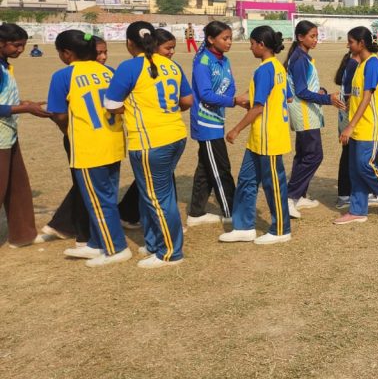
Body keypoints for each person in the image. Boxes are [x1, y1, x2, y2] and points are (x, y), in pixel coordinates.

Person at [103, 21, 193, 267]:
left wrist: (134, 108)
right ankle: (154, 243)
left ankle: (170, 253)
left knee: (157, 198)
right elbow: (187, 100)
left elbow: (111, 104)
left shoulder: (130, 66)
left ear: (129, 43)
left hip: (149, 141)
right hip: (176, 135)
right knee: (152, 194)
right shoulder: (172, 65)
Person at [45, 30, 132, 266]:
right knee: (106, 195)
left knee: (98, 201)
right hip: (113, 141)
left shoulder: (63, 75)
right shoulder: (109, 71)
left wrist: (67, 131)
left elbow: (58, 114)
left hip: (88, 146)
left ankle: (116, 249)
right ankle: (95, 243)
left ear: (66, 53)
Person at [219, 26, 293, 244]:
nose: (250, 48)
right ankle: (243, 227)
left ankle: (281, 230)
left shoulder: (266, 70)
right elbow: (286, 97)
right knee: (246, 180)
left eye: (252, 44)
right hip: (258, 138)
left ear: (261, 45)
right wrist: (250, 99)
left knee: (273, 184)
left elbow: (259, 107)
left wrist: (236, 129)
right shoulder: (277, 67)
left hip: (269, 136)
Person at [336, 26, 378, 224]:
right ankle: (357, 210)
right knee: (355, 169)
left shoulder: (373, 64)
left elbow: (367, 98)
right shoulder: (360, 65)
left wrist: (350, 126)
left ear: (361, 43)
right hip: (357, 125)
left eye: (351, 42)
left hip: (368, 125)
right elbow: (357, 96)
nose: (348, 45)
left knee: (365, 165)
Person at [188, 20, 247, 228]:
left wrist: (231, 98)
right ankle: (231, 211)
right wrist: (233, 101)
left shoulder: (224, 60)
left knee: (205, 168)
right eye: (225, 38)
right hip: (205, 122)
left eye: (230, 38)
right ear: (211, 39)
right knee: (221, 168)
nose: (229, 42)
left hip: (217, 120)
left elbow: (231, 86)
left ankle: (196, 213)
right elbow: (205, 94)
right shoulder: (203, 61)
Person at [285, 20, 344, 218]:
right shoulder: (299, 59)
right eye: (312, 36)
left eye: (317, 36)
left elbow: (305, 86)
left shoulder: (302, 57)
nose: (315, 40)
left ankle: (299, 195)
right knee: (313, 156)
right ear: (300, 37)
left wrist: (321, 91)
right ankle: (290, 197)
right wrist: (328, 99)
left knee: (303, 155)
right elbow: (301, 92)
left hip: (307, 112)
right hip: (304, 113)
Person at [0, 23, 48, 247]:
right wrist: (25, 109)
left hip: (8, 132)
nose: (20, 50)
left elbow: (4, 99)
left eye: (23, 45)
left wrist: (25, 103)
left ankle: (22, 235)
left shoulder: (5, 65)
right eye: (16, 45)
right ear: (1, 43)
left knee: (17, 185)